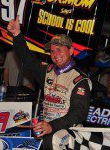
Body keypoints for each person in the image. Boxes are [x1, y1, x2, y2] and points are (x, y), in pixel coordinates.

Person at [7, 16, 92, 149]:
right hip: (47, 127)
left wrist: (52, 126)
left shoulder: (80, 80)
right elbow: (27, 59)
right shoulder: (47, 71)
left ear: (70, 51)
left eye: (59, 49)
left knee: (52, 141)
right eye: (52, 51)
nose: (55, 54)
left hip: (70, 130)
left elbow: (79, 113)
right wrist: (17, 35)